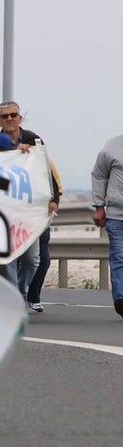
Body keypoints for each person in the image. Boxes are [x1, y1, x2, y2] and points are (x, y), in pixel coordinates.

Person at [0, 100, 61, 312]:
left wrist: (54, 199)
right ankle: (13, 298)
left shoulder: (34, 140)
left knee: (33, 260)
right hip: (5, 211)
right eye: (5, 116)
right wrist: (14, 149)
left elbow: (46, 171)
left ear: (19, 117)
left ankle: (22, 290)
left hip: (28, 212)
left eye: (13, 115)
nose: (9, 119)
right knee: (8, 259)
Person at [91, 132, 123, 319]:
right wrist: (98, 206)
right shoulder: (112, 146)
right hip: (116, 214)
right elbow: (99, 175)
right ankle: (121, 298)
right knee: (119, 257)